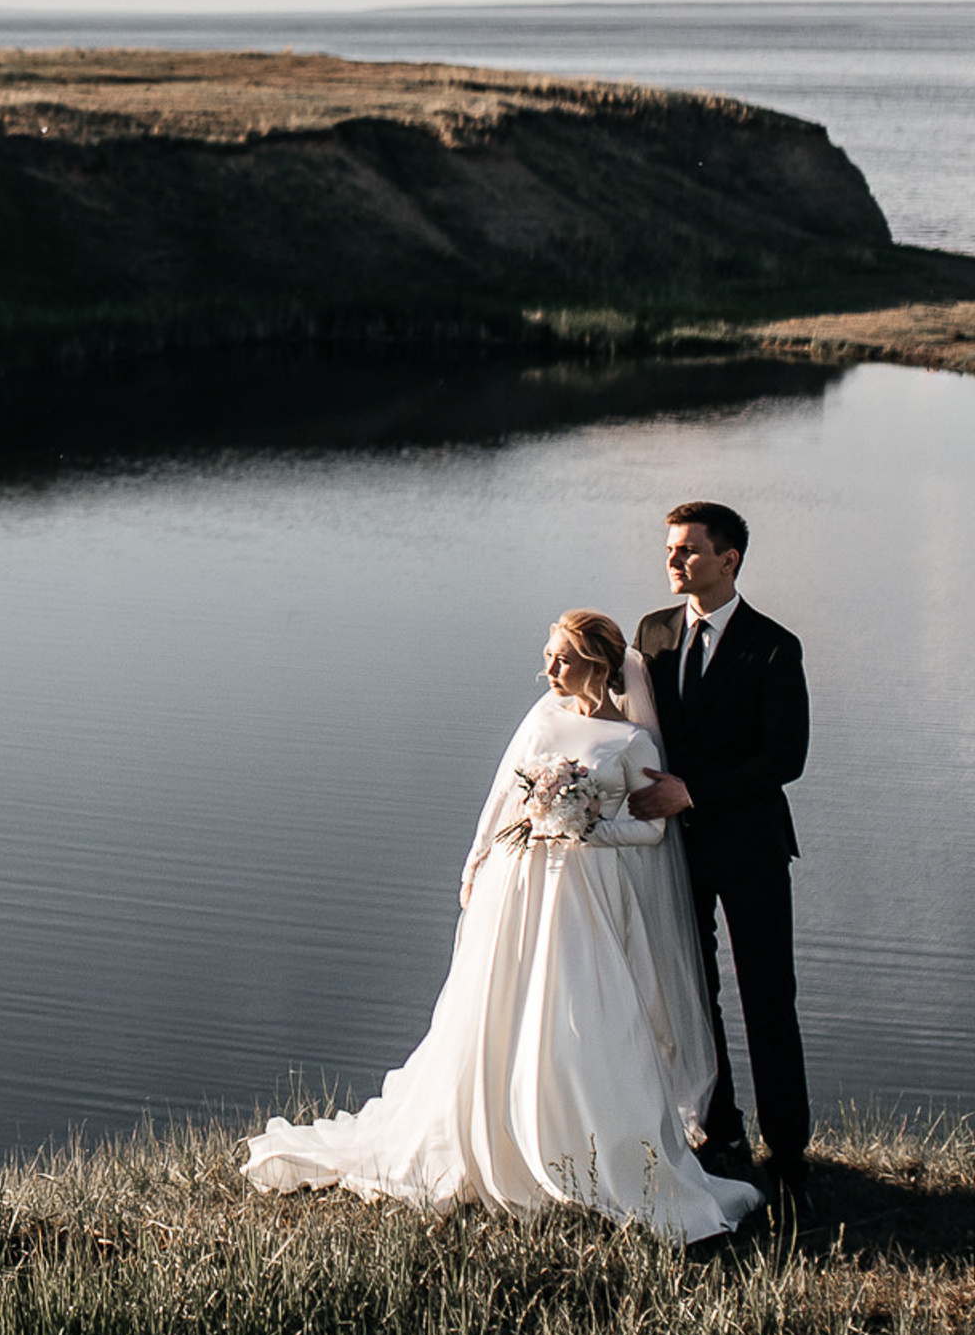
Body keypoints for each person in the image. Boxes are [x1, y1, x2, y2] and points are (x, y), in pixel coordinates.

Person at [243, 609, 761, 1241]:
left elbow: (652, 830)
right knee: (497, 1004)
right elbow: (499, 799)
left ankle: (582, 1144)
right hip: (516, 887)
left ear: (597, 665)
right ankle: (493, 1130)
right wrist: (476, 860)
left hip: (584, 896)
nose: (547, 669)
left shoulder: (631, 742)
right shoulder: (542, 716)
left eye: (561, 659)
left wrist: (589, 831)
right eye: (547, 655)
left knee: (581, 1011)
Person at [626, 500, 812, 1220]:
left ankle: (789, 1153)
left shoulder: (774, 646)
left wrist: (692, 792)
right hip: (676, 850)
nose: (674, 561)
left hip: (752, 846)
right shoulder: (652, 632)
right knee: (692, 995)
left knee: (769, 996)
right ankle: (720, 1130)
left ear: (728, 560)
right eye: (671, 549)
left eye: (688, 551)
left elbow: (784, 759)